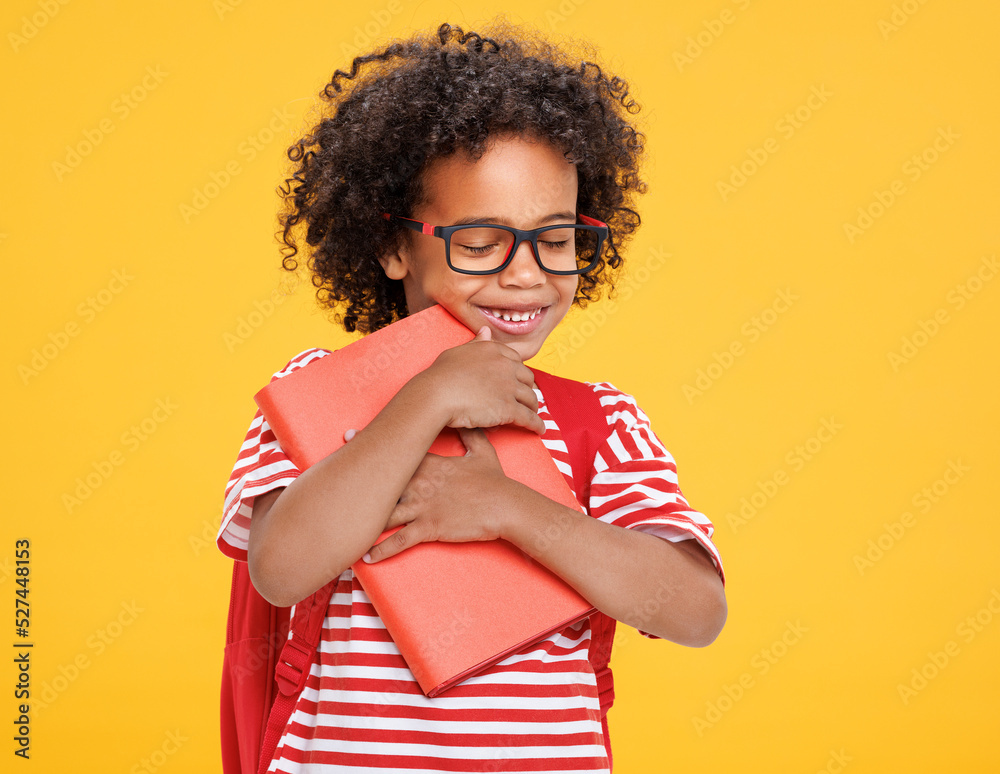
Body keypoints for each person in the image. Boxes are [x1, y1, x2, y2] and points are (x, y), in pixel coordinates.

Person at [218, 21, 726, 773]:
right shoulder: (316, 396)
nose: (526, 275)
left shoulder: (600, 424)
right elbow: (281, 568)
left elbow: (694, 611)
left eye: (556, 240)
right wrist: (425, 401)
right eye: (482, 244)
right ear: (394, 246)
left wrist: (507, 508)